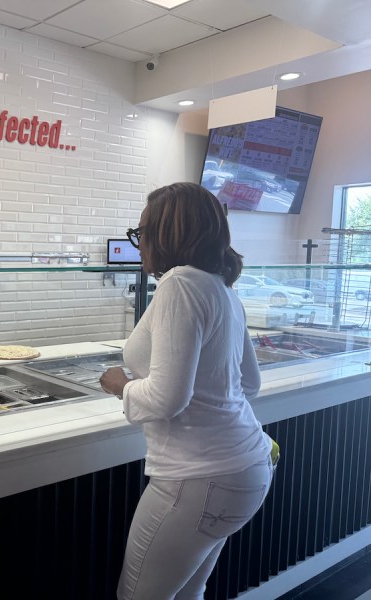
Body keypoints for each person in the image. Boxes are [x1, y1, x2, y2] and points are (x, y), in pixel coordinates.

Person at [99, 182, 278, 600]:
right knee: (187, 593)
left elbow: (167, 398)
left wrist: (121, 385)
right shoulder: (222, 289)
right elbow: (248, 383)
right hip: (248, 466)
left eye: (142, 232)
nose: (139, 243)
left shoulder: (179, 283)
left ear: (167, 232)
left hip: (198, 478)